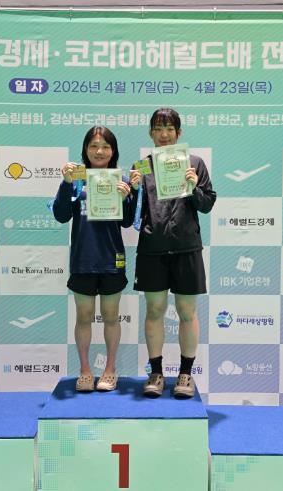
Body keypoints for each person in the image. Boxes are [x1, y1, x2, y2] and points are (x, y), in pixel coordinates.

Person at [134, 107, 216, 398]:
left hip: (186, 247)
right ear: (151, 133)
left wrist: (194, 187)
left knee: (186, 312)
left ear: (179, 133)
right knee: (154, 310)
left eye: (169, 128)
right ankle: (156, 373)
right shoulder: (142, 167)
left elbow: (207, 204)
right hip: (152, 249)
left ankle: (185, 374)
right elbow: (131, 214)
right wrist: (131, 191)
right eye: (158, 129)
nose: (164, 134)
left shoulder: (195, 163)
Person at [52, 126, 140, 392]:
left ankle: (110, 370)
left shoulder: (121, 180)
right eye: (93, 146)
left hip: (112, 259)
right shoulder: (76, 178)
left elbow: (127, 222)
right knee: (84, 316)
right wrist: (65, 183)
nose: (99, 151)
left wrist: (128, 196)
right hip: (83, 259)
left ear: (113, 151)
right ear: (85, 149)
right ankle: (85, 371)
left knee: (111, 316)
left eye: (105, 146)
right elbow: (61, 215)